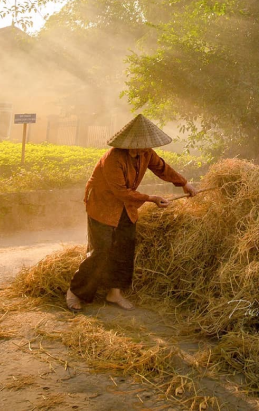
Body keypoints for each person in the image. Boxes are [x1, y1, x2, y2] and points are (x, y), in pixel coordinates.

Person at [67, 114, 195, 311]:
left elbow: (162, 168)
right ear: (127, 144)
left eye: (145, 145)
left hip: (127, 206)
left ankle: (114, 294)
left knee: (124, 248)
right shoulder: (113, 158)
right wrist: (150, 198)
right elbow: (120, 191)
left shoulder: (146, 154)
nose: (142, 148)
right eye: (138, 145)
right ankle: (76, 291)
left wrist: (183, 183)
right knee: (101, 250)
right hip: (103, 205)